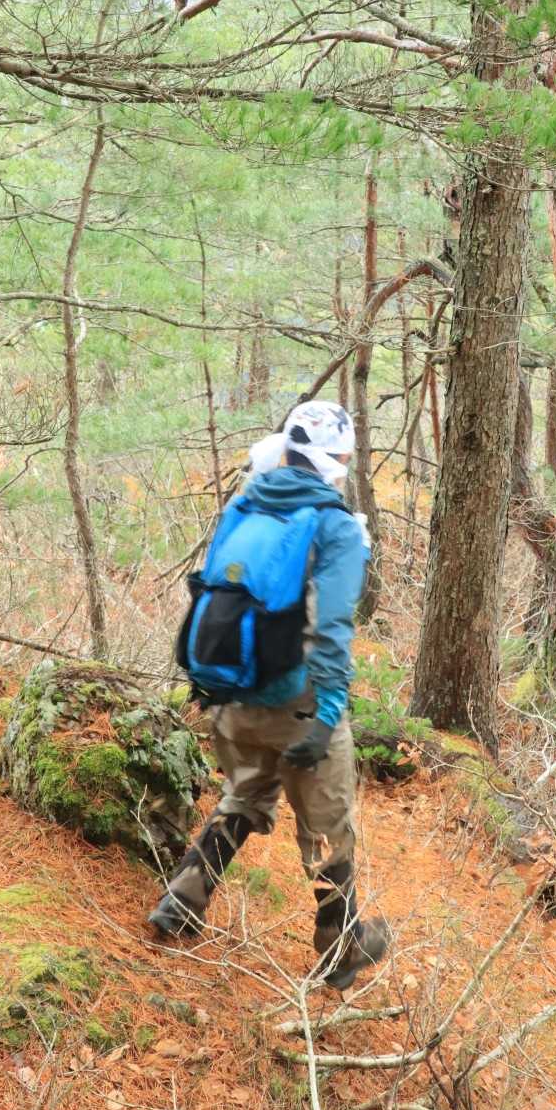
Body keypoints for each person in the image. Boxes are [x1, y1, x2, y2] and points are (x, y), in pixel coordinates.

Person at [148, 401, 389, 990]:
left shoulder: (245, 503)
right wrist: (326, 715)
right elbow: (332, 629)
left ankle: (181, 900)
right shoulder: (335, 526)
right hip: (296, 704)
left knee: (247, 793)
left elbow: (212, 592)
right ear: (337, 459)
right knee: (330, 826)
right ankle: (341, 948)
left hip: (231, 698)